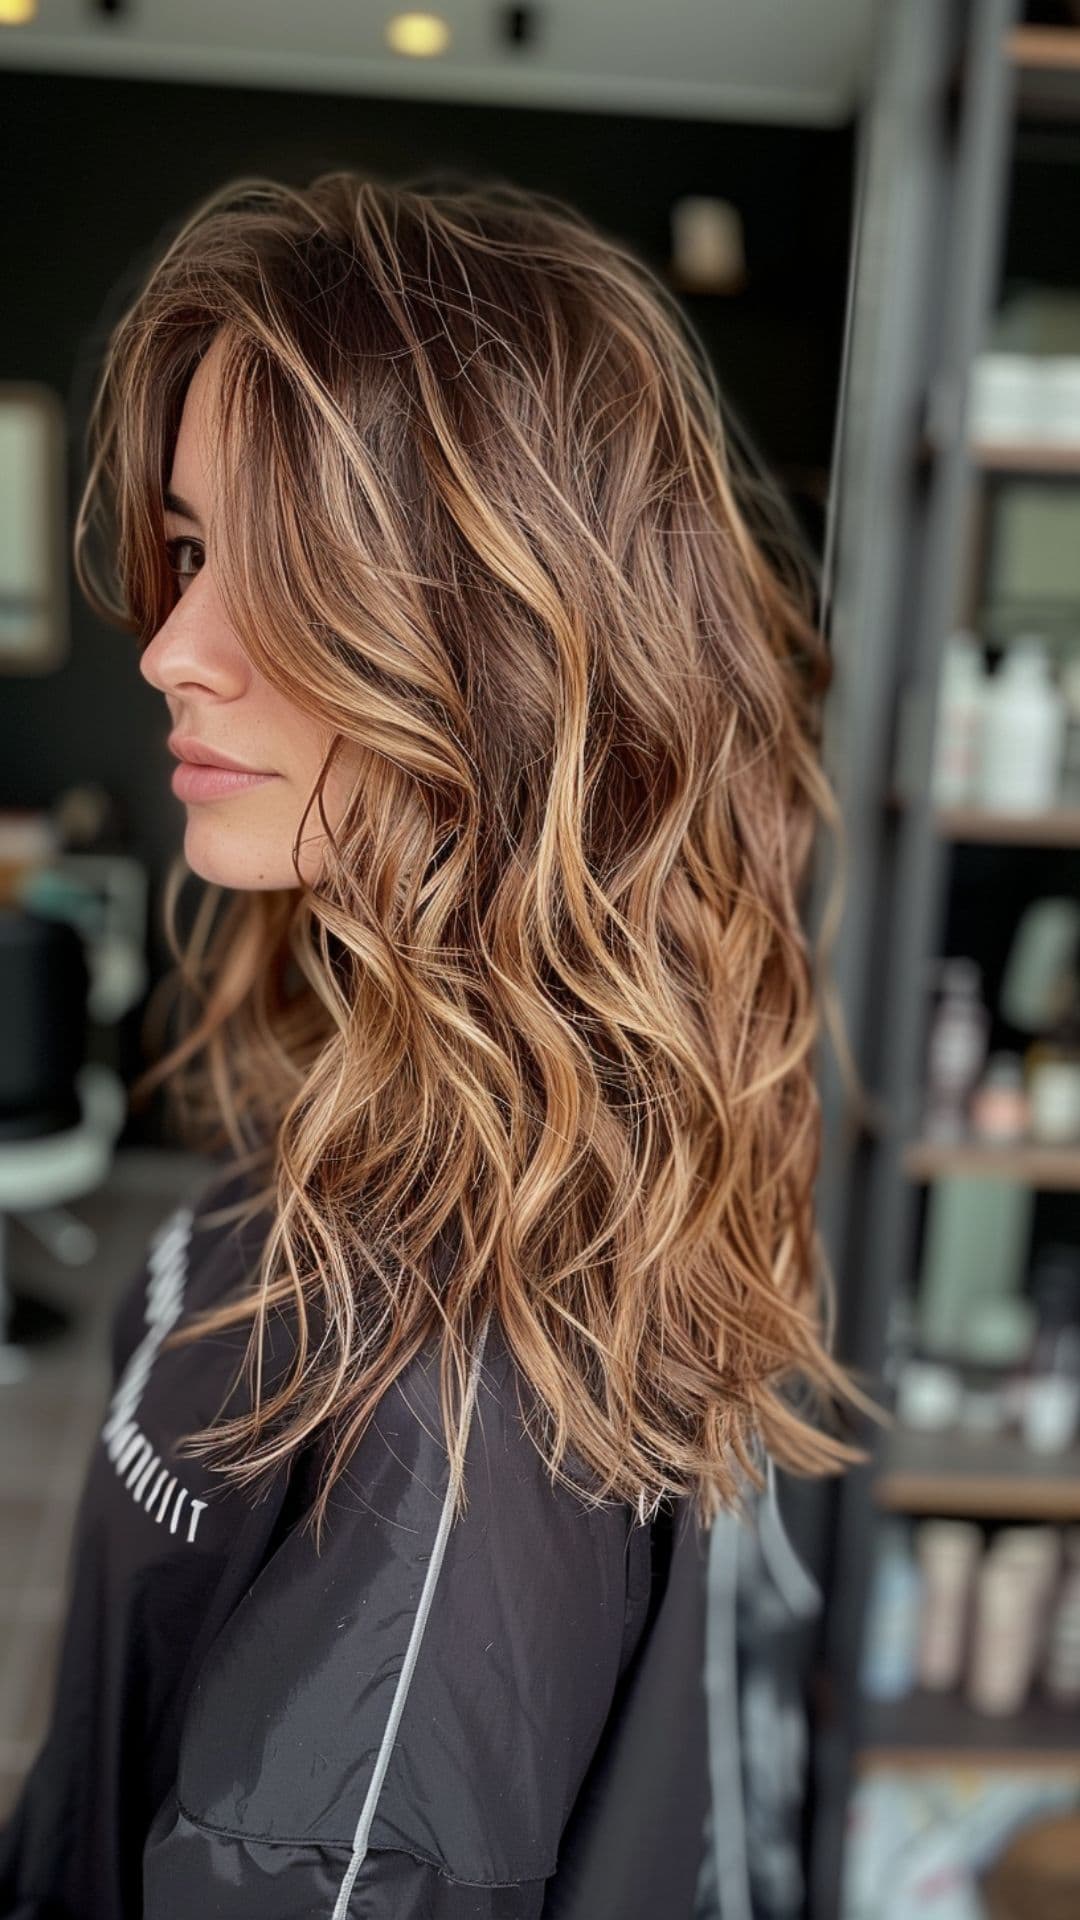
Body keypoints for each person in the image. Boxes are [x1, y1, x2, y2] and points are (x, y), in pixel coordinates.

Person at [0, 168, 861, 1919]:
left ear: (506, 635)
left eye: (286, 569)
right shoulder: (394, 1126)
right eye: (187, 548)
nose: (167, 646)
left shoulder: (451, 1417)